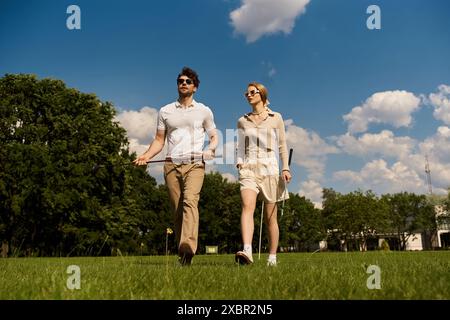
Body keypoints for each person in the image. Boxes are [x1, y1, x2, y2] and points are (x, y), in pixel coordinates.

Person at [133, 67, 218, 266]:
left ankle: (188, 245)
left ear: (195, 87)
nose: (183, 83)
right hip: (171, 165)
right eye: (180, 81)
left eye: (188, 81)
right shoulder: (165, 111)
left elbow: (214, 136)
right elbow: (159, 140)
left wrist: (210, 149)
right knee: (178, 210)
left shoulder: (204, 110)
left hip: (195, 164)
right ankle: (184, 255)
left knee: (190, 201)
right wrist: (145, 156)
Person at [235, 82, 292, 267]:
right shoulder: (242, 121)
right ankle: (247, 250)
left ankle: (272, 257)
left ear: (262, 94)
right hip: (249, 167)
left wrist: (286, 167)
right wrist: (240, 161)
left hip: (270, 166)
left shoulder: (276, 117)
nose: (248, 95)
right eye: (246, 93)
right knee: (247, 206)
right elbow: (240, 147)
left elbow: (282, 145)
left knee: (270, 218)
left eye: (252, 92)